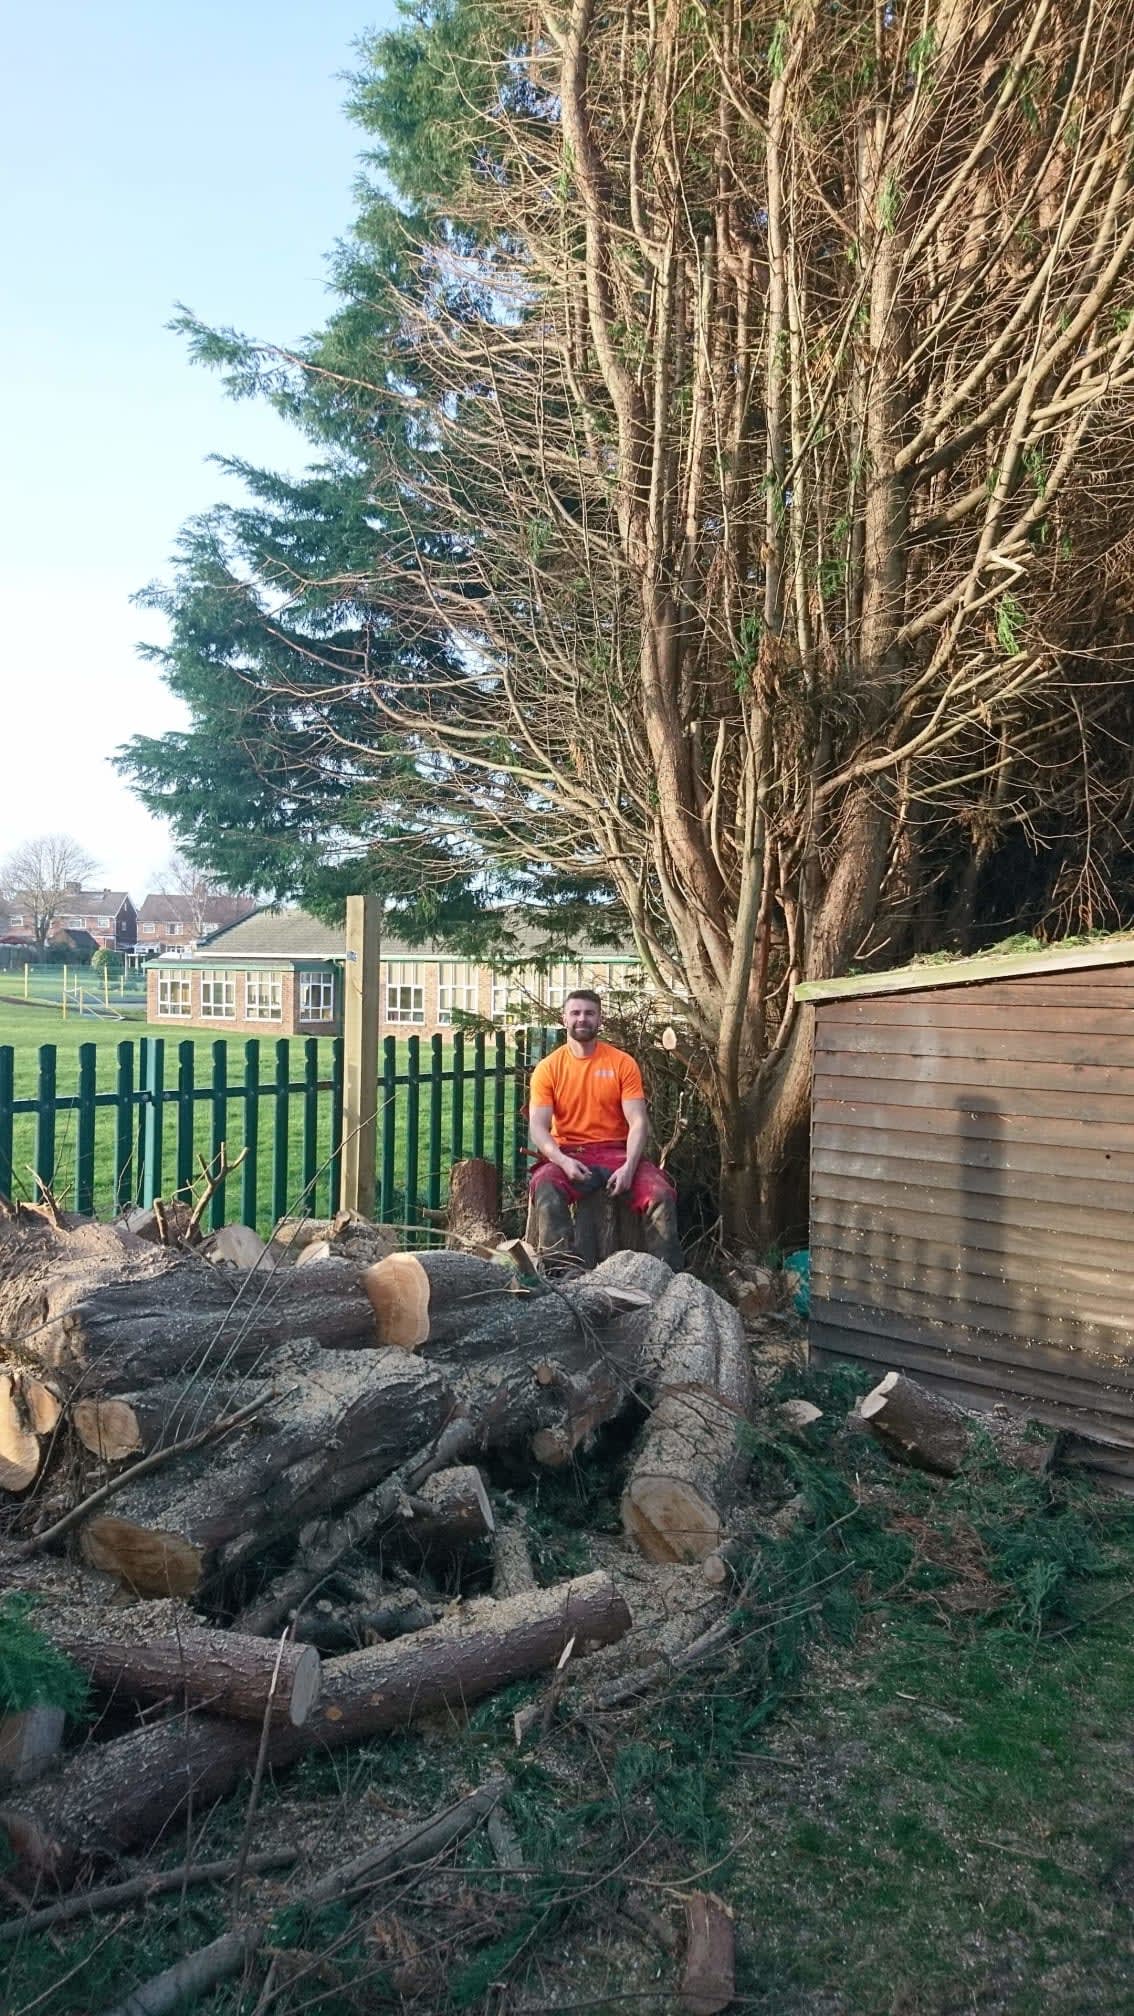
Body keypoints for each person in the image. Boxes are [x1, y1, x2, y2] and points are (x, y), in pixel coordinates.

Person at [527, 989, 683, 1270]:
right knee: (546, 1188)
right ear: (564, 1018)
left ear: (600, 1019)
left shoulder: (622, 1063)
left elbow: (638, 1122)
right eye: (575, 1013)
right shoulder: (548, 1068)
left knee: (660, 1194)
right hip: (570, 1155)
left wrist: (630, 1167)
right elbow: (538, 1127)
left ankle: (666, 1277)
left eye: (589, 1013)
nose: (582, 1019)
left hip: (617, 1154)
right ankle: (561, 1276)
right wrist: (561, 1160)